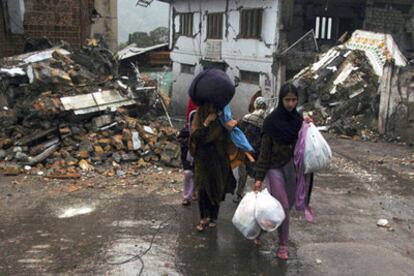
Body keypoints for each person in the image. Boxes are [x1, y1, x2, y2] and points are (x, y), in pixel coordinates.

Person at [254, 83, 312, 260]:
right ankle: (283, 246)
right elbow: (264, 151)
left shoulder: (298, 122)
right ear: (281, 99)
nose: (290, 104)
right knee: (283, 206)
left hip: (293, 170)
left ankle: (260, 230)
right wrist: (258, 177)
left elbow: (305, 147)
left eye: (294, 100)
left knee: (285, 206)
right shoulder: (271, 122)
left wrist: (308, 127)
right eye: (287, 100)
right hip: (275, 168)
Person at [190, 103, 236, 232]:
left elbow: (230, 137)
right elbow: (195, 137)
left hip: (219, 159)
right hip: (203, 159)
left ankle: (213, 217)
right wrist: (207, 122)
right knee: (203, 188)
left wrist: (229, 127)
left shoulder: (223, 117)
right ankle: (203, 217)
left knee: (217, 187)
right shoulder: (198, 116)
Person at [233, 97, 267, 203]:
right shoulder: (266, 121)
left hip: (245, 151)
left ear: (255, 106)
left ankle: (239, 194)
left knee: (243, 174)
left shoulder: (246, 118)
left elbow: (237, 131)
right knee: (257, 175)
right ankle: (256, 196)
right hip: (258, 152)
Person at [178, 99, 198, 206]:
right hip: (187, 154)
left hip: (199, 154)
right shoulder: (185, 132)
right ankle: (186, 196)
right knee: (187, 173)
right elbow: (181, 141)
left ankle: (192, 192)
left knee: (196, 174)